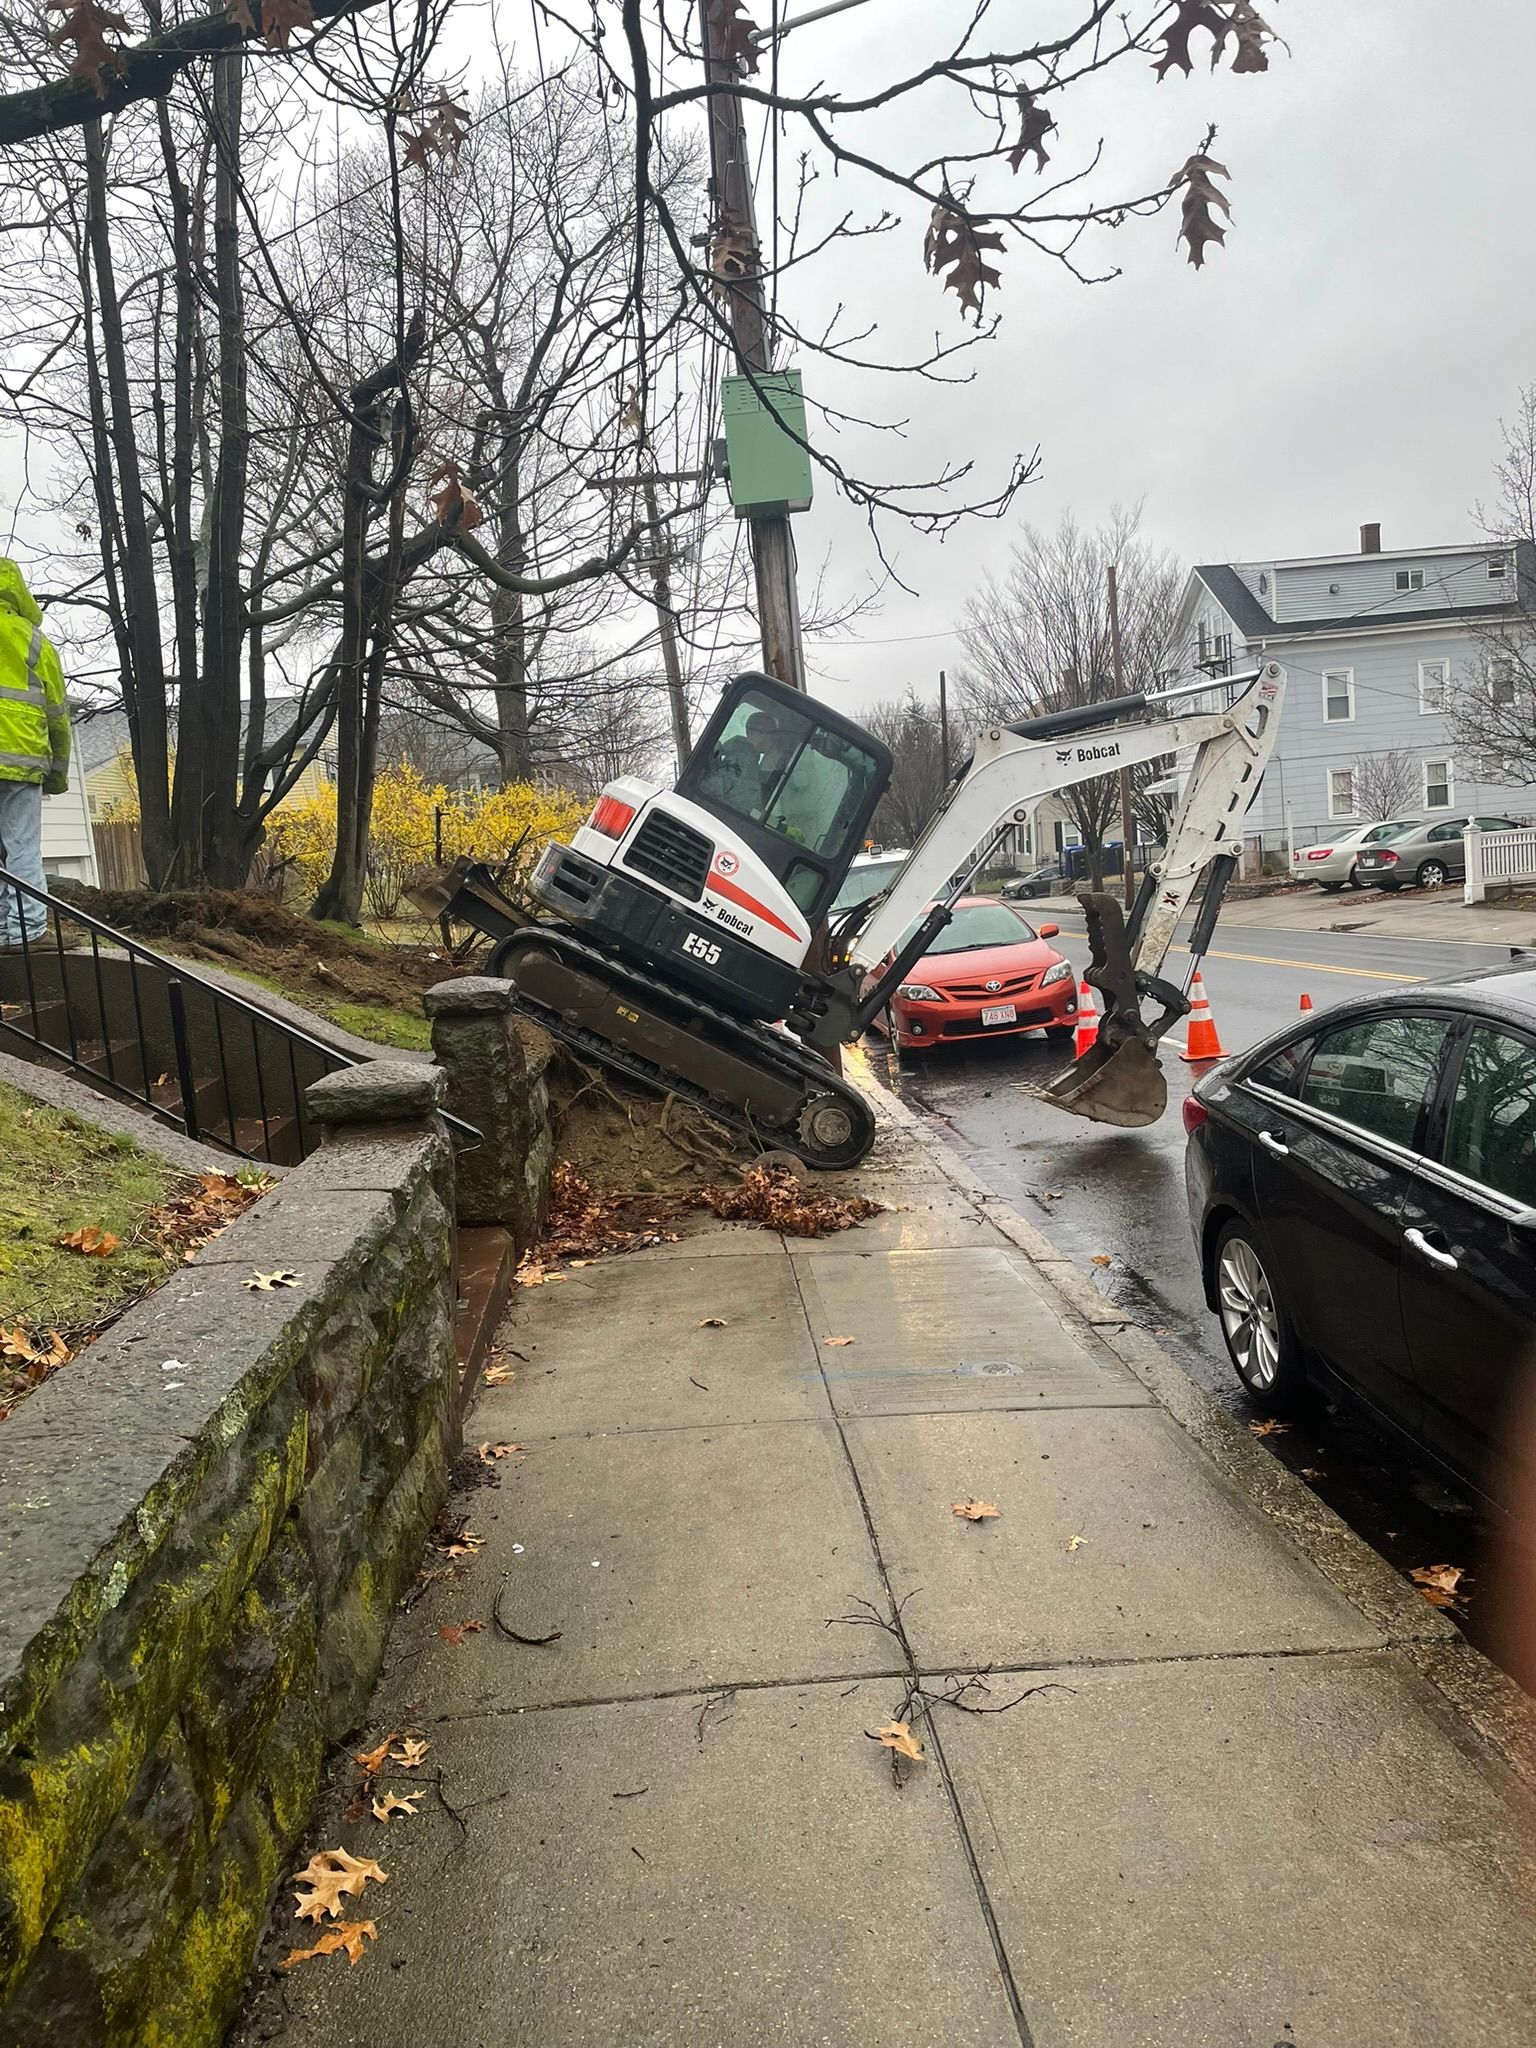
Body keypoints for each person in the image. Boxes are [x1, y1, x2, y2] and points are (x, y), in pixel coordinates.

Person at [0, 559, 70, 948]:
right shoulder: (32, 640)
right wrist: (57, 773)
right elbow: (57, 714)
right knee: (21, 847)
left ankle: (1, 931)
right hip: (21, 759)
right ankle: (27, 932)